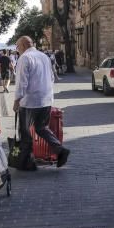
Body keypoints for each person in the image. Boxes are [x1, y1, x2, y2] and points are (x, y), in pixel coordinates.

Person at [13, 36, 69, 169]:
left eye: (17, 46)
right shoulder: (44, 57)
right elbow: (51, 77)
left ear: (24, 45)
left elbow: (22, 82)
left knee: (25, 132)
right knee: (41, 128)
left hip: (30, 102)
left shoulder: (25, 58)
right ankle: (60, 150)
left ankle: (27, 162)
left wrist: (17, 100)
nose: (17, 49)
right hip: (46, 99)